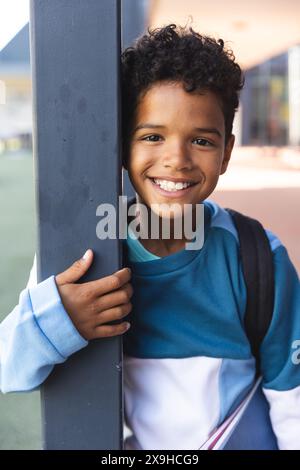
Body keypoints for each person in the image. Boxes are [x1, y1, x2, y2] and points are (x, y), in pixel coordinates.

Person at [0, 24, 300, 450]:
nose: (176, 160)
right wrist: (62, 318)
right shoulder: (86, 255)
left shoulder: (258, 258)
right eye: (152, 137)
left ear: (227, 153)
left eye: (200, 140)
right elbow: (9, 369)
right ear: (122, 145)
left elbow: (293, 404)